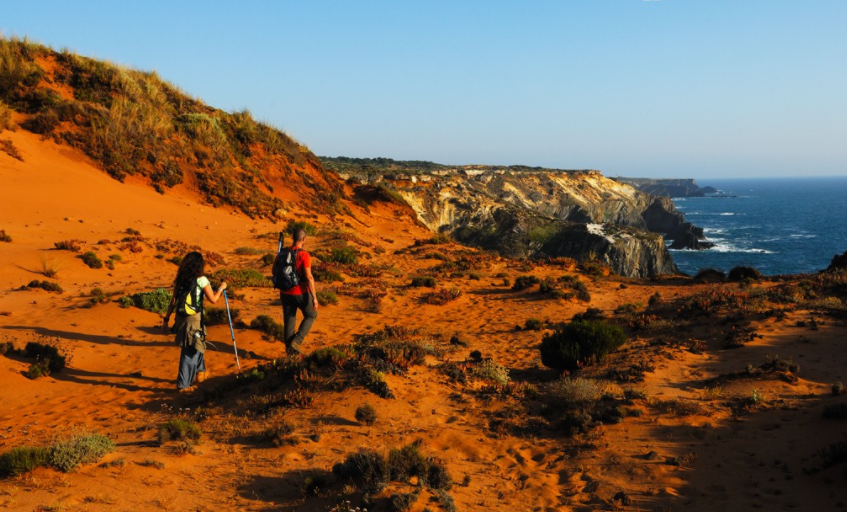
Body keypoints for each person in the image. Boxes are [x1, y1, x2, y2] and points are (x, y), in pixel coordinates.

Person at [161, 251, 227, 391]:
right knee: (190, 351)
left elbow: (173, 302)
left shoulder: (180, 279)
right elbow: (214, 300)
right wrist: (221, 288)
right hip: (193, 320)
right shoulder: (201, 280)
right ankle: (183, 385)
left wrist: (166, 319)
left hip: (181, 319)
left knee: (199, 342)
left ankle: (200, 372)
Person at [276, 228, 318, 355]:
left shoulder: (282, 253)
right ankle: (297, 341)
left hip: (284, 293)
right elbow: (309, 277)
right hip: (300, 292)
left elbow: (274, 272)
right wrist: (314, 298)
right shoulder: (304, 255)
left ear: (293, 238)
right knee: (311, 314)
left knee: (289, 320)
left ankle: (290, 352)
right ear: (304, 239)